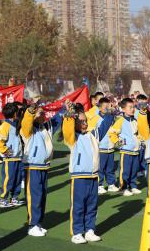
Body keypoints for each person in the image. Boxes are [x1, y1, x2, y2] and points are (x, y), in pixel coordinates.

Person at [20, 103, 63, 237]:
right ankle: (32, 225)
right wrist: (31, 111)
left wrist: (66, 107)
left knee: (42, 196)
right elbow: (27, 120)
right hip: (32, 166)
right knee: (34, 196)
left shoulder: (46, 127)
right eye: (40, 113)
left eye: (43, 113)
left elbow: (58, 118)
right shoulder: (27, 128)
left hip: (44, 166)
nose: (42, 115)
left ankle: (38, 223)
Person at [62, 102, 101, 244]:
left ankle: (90, 229)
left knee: (92, 205)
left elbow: (103, 122)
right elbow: (67, 129)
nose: (84, 123)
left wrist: (106, 111)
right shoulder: (72, 138)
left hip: (93, 176)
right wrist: (69, 115)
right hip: (79, 177)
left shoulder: (92, 135)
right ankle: (77, 232)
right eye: (81, 121)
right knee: (78, 206)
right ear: (75, 122)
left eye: (86, 121)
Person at [108, 98, 142, 196]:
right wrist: (119, 143)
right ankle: (123, 187)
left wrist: (140, 141)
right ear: (123, 109)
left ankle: (133, 186)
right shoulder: (120, 121)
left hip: (135, 151)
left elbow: (137, 134)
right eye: (130, 107)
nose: (132, 109)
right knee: (125, 171)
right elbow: (112, 133)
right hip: (126, 151)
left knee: (134, 170)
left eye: (133, 107)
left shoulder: (135, 121)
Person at [0, 103, 25, 208]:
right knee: (9, 179)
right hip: (9, 158)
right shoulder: (4, 126)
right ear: (14, 113)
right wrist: (5, 150)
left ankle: (14, 198)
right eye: (17, 111)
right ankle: (3, 199)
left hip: (18, 157)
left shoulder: (16, 123)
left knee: (18, 178)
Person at [87, 97, 119, 194]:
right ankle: (99, 185)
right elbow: (92, 134)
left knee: (110, 168)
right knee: (100, 168)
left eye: (109, 106)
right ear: (100, 108)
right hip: (100, 148)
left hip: (110, 147)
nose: (107, 108)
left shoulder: (112, 117)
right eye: (105, 107)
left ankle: (111, 184)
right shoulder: (95, 119)